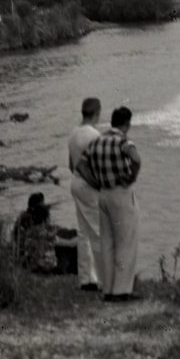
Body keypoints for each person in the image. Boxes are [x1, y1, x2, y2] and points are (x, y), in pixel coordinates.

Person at [81, 106, 142, 303]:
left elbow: (81, 165)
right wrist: (130, 176)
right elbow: (136, 158)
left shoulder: (97, 141)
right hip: (121, 194)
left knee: (106, 242)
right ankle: (121, 290)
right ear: (127, 124)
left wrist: (94, 181)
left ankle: (107, 289)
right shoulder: (122, 141)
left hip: (103, 195)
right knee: (125, 241)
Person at [67, 96, 104, 292]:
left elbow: (71, 165)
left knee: (84, 232)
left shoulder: (73, 133)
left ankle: (86, 278)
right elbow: (97, 166)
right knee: (98, 231)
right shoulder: (94, 135)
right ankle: (104, 281)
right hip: (89, 186)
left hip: (75, 184)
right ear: (97, 113)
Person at [12, 192, 77, 274]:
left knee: (69, 235)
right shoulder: (29, 219)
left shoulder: (27, 218)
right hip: (42, 263)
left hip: (29, 257)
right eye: (42, 204)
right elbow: (65, 241)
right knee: (68, 245)